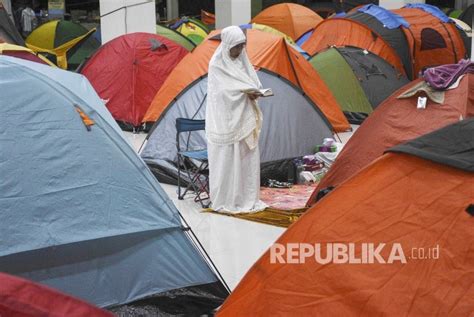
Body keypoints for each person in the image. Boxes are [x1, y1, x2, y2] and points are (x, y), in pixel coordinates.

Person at [205, 26, 267, 213]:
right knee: (227, 162)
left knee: (246, 161)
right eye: (236, 47)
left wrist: (254, 92)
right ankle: (228, 199)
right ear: (228, 45)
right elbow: (221, 94)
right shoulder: (217, 64)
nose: (239, 51)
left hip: (243, 121)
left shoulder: (242, 61)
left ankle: (246, 197)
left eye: (242, 46)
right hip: (225, 121)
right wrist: (242, 93)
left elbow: (253, 82)